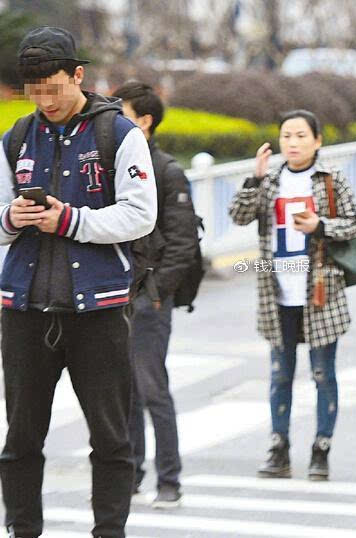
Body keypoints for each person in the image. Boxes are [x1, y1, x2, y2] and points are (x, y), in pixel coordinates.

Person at [0, 27, 157, 538]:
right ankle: (23, 530)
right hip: (23, 309)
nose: (44, 99)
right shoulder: (16, 138)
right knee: (21, 438)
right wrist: (12, 218)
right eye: (34, 90)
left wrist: (71, 220)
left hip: (101, 310)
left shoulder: (119, 134)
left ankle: (109, 530)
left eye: (53, 87)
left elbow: (141, 216)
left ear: (78, 75)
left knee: (110, 438)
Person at [229, 110, 356, 481]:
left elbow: (355, 225)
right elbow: (238, 216)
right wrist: (253, 179)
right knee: (279, 374)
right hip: (276, 290)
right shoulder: (269, 180)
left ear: (317, 140)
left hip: (321, 290)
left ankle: (321, 449)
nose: (293, 143)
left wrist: (321, 226)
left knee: (323, 374)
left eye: (301, 135)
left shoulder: (331, 178)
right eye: (287, 135)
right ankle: (279, 447)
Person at [111, 81, 199, 508]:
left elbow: (183, 245)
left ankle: (170, 479)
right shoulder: (116, 165)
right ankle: (129, 474)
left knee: (151, 388)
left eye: (120, 111)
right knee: (122, 389)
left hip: (148, 297)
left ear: (144, 121)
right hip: (116, 294)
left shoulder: (166, 170)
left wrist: (155, 293)